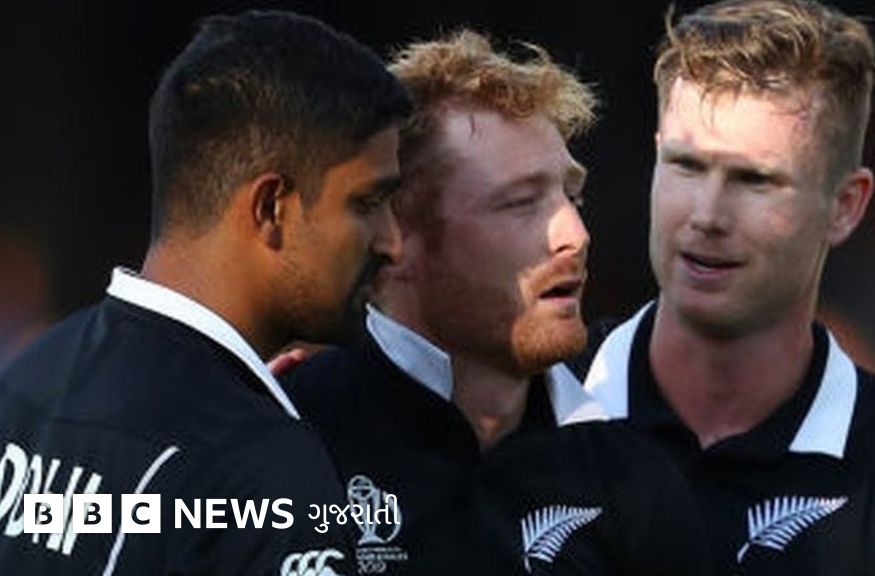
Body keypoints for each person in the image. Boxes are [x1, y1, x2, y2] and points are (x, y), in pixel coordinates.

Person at [581, 0, 875, 574]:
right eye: (686, 166)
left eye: (755, 180)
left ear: (845, 206)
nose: (707, 214)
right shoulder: (521, 413)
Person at [285, 30, 709, 575]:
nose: (575, 235)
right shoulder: (285, 432)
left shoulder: (634, 478)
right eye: (521, 203)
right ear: (397, 237)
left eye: (572, 195)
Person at [0, 11, 409, 575]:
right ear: (271, 207)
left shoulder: (28, 380)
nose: (392, 242)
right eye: (366, 203)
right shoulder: (261, 466)